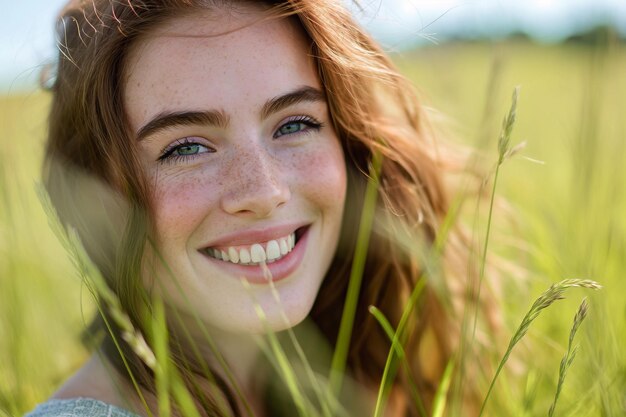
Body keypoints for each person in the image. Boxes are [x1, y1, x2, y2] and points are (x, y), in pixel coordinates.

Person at [26, 1, 494, 416]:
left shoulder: (355, 378)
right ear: (94, 197)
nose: (264, 190)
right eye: (186, 148)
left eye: (294, 123)